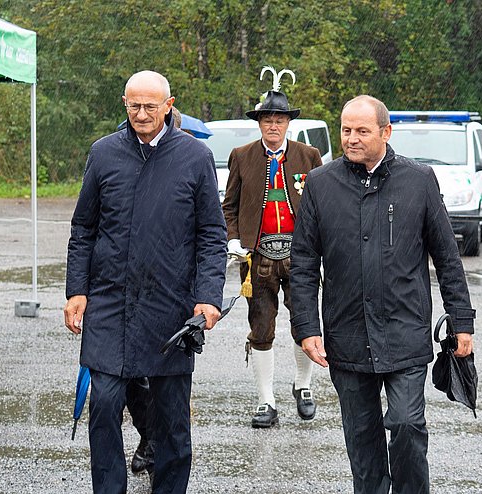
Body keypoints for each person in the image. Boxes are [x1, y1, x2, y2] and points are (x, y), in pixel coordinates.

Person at [290, 95, 475, 494]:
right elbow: (303, 262)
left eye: (362, 131)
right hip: (347, 333)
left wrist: (462, 321)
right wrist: (306, 326)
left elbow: (447, 257)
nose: (351, 139)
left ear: (386, 132)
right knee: (362, 440)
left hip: (404, 331)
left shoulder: (419, 180)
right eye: (345, 130)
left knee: (407, 425)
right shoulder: (321, 184)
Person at [64, 70, 227, 493]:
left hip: (171, 307)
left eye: (150, 106)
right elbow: (83, 228)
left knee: (171, 420)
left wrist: (208, 298)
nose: (141, 114)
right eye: (133, 105)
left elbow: (212, 234)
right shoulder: (103, 154)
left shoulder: (194, 157)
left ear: (169, 105)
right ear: (124, 104)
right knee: (102, 406)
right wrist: (76, 290)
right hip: (110, 304)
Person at [221, 73, 321, 428]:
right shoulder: (242, 156)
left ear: (289, 123)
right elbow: (228, 206)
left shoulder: (309, 156)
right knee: (261, 328)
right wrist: (233, 239)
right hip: (257, 257)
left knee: (305, 322)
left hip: (302, 256)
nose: (273, 126)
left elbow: (323, 206)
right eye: (267, 120)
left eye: (279, 120)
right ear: (260, 123)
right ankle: (266, 400)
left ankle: (304, 386)